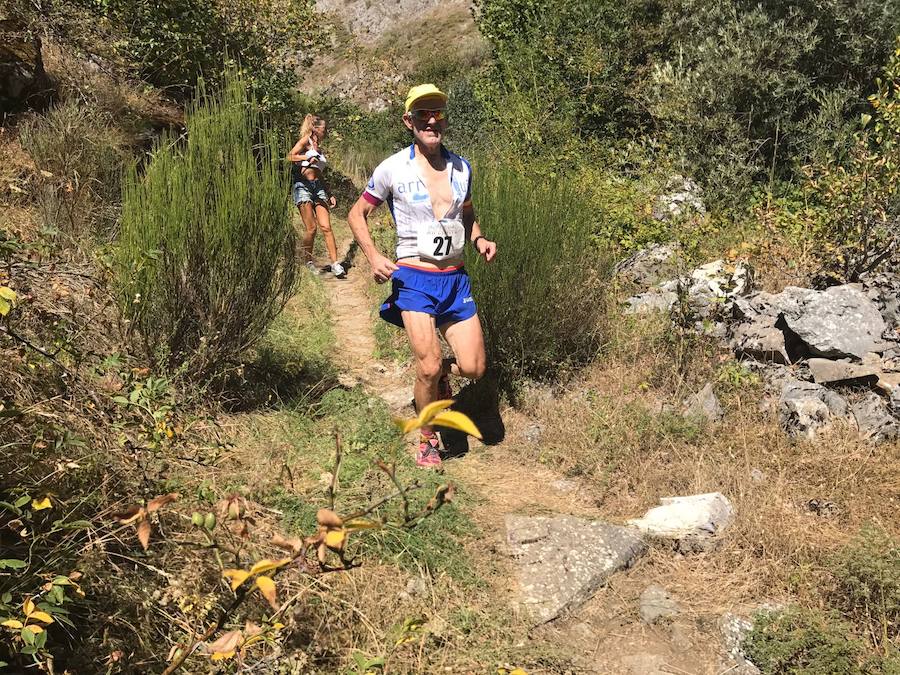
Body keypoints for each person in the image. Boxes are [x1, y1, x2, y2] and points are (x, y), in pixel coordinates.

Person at [347, 84, 498, 468]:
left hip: (455, 279)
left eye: (437, 113)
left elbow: (466, 213)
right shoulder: (392, 168)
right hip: (414, 277)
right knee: (427, 363)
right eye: (422, 114)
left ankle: (436, 380)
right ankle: (428, 436)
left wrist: (478, 239)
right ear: (408, 121)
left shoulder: (462, 167)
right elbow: (356, 214)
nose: (431, 120)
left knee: (475, 368)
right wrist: (373, 256)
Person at [288, 114, 345, 278]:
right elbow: (290, 156)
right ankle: (308, 261)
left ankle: (335, 264)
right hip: (302, 186)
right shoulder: (306, 141)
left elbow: (318, 172)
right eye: (323, 129)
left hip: (318, 187)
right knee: (311, 228)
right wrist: (306, 157)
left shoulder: (319, 147)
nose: (325, 131)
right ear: (315, 128)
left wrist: (329, 192)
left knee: (326, 226)